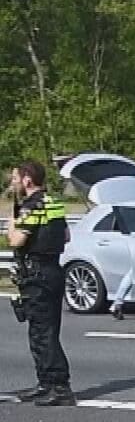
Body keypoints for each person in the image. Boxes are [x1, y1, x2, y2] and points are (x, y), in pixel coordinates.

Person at [6, 160, 74, 406]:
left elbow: (16, 241)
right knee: (45, 330)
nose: (13, 183)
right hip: (52, 270)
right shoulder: (54, 203)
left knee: (42, 333)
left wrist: (10, 221)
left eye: (15, 178)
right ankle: (45, 383)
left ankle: (59, 386)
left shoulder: (30, 207)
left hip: (37, 275)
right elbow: (66, 235)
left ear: (27, 179)